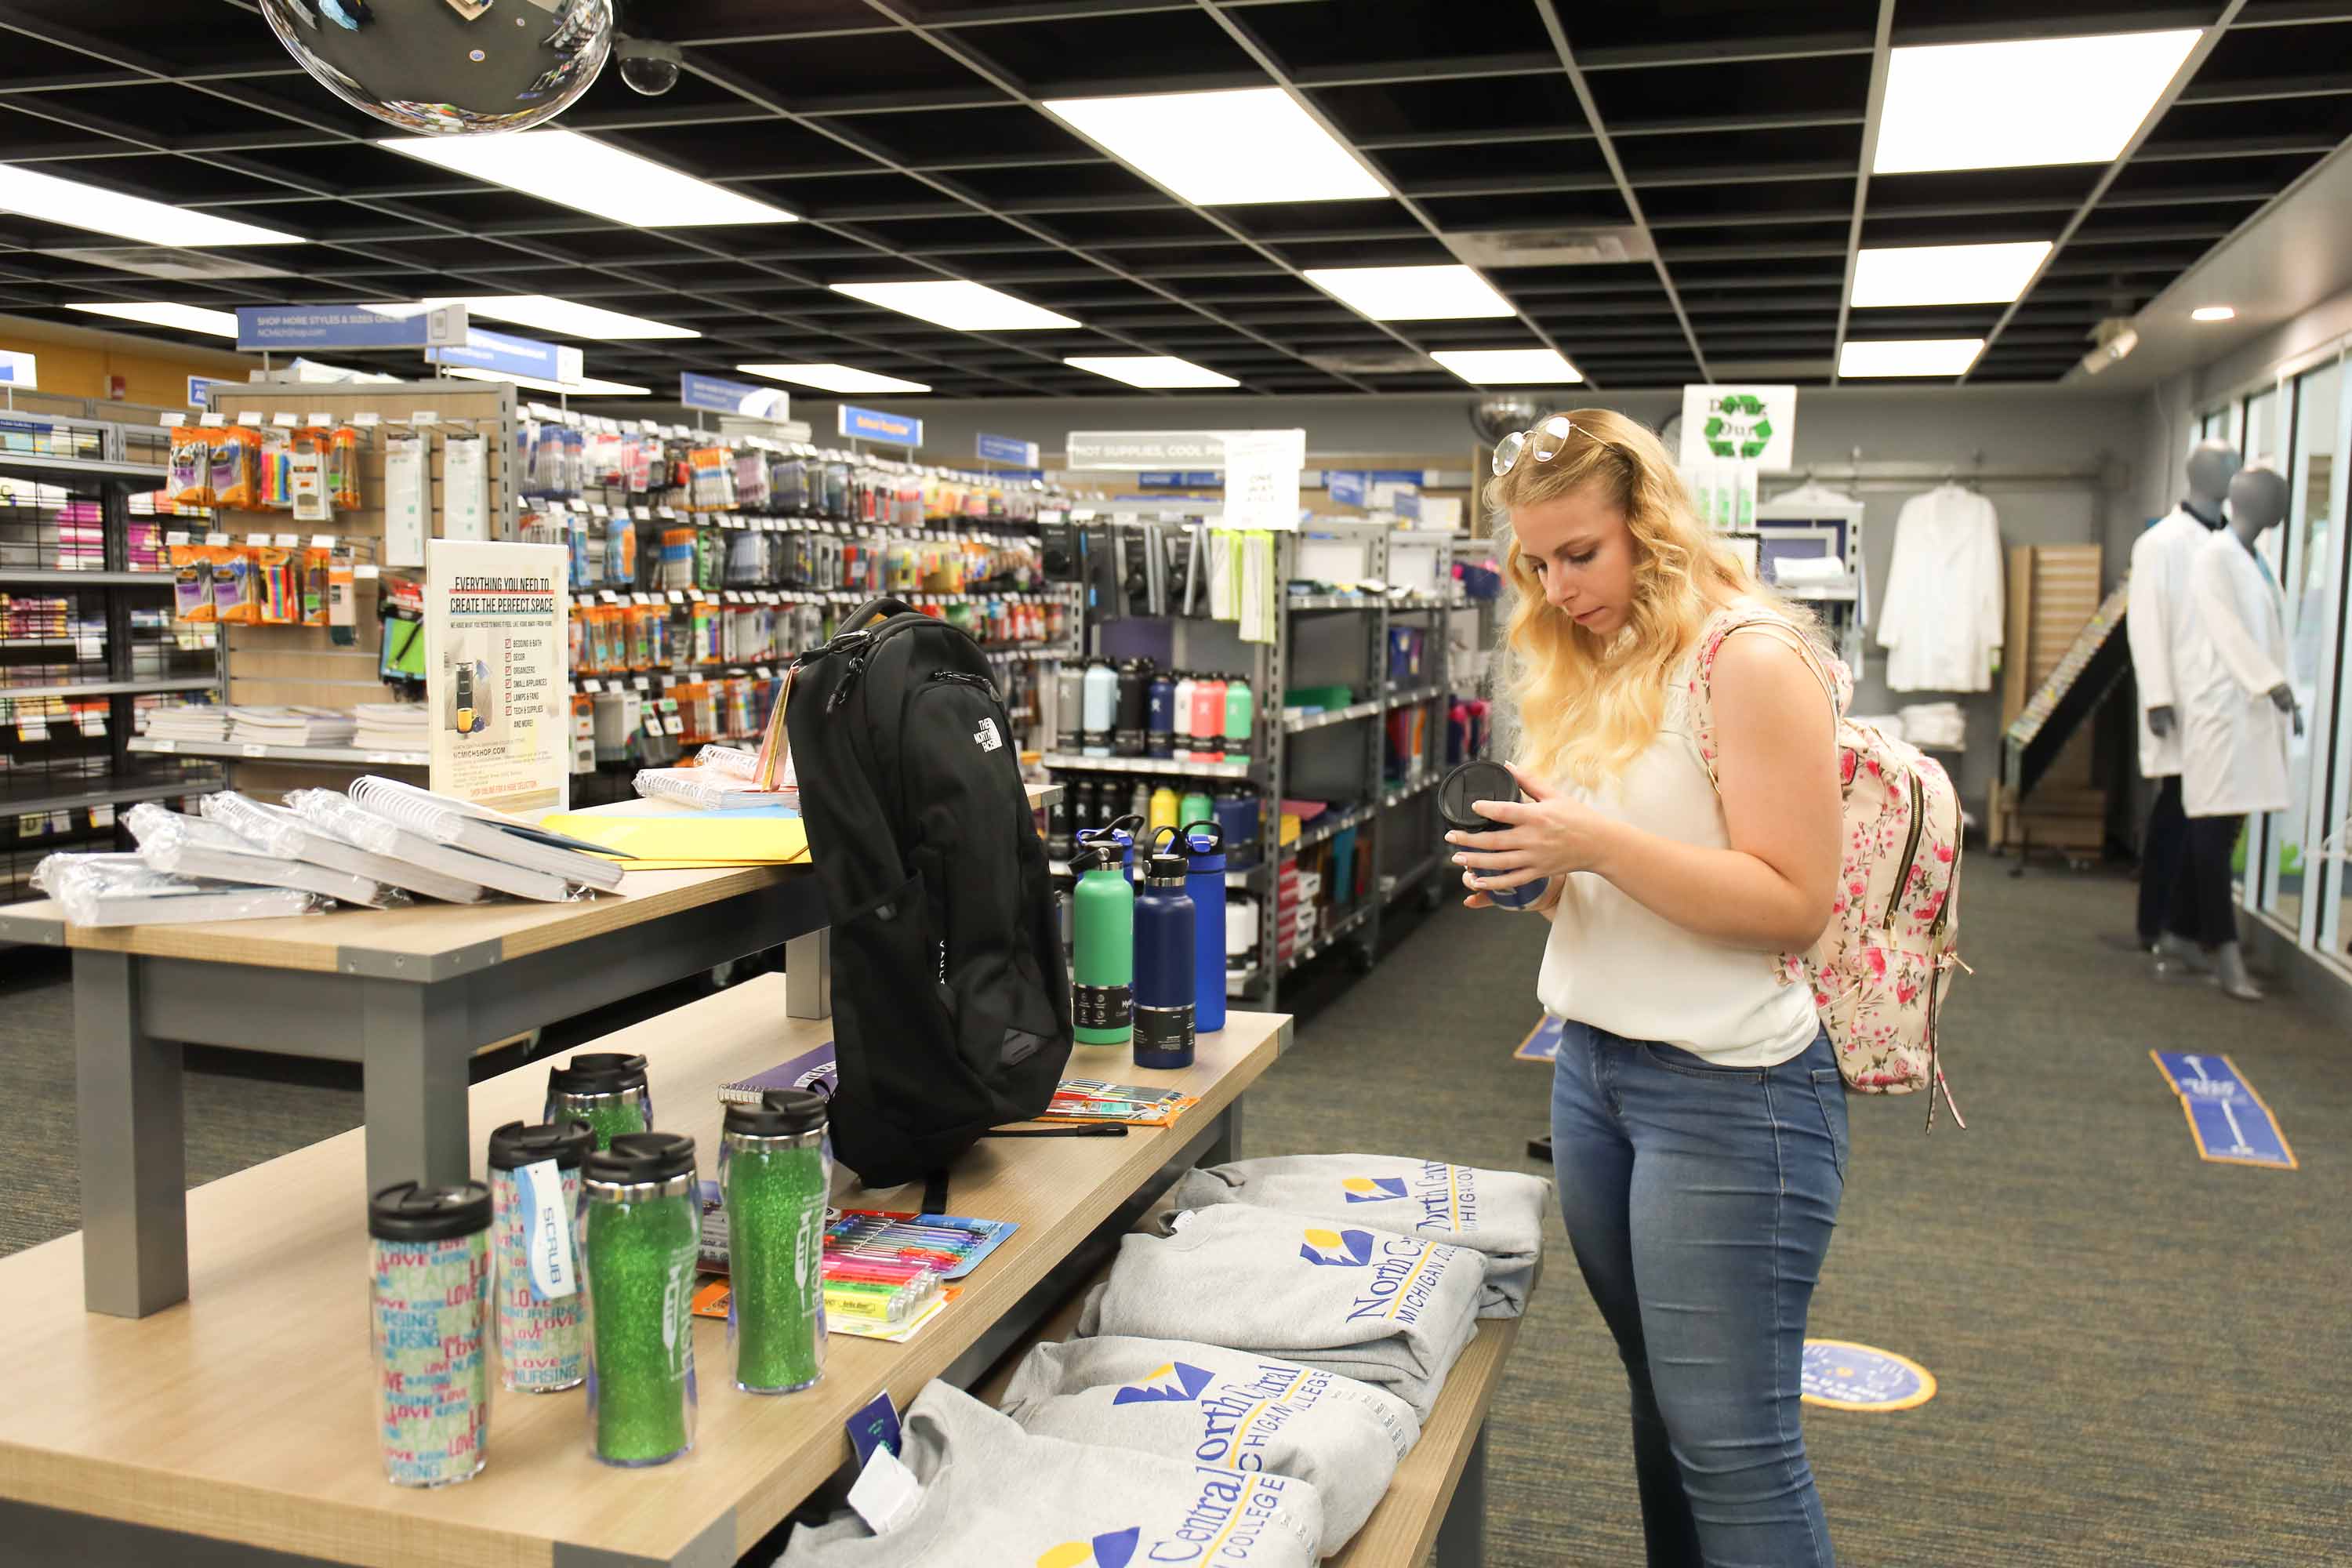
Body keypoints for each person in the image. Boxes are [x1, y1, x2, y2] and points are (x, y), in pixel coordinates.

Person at [1448, 408, 1846, 1566]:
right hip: (1598, 1076)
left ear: (1652, 528)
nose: (1560, 585)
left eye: (1583, 553)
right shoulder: (1593, 660)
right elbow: (1603, 880)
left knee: (1735, 1449)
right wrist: (1536, 870)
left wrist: (1593, 846)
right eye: (1537, 561)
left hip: (1733, 1093)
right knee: (1662, 1413)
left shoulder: (1750, 657)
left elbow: (1791, 902)